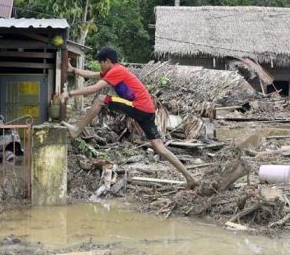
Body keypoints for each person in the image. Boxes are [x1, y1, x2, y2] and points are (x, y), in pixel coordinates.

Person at [59, 46, 200, 189]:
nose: (101, 67)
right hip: (148, 110)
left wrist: (69, 94)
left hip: (138, 106)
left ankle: (77, 129)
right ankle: (190, 178)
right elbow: (94, 74)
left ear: (107, 61)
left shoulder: (116, 71)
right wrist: (74, 70)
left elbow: (95, 88)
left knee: (101, 98)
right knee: (159, 147)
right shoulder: (116, 70)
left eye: (101, 63)